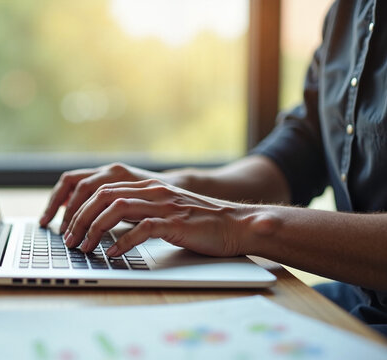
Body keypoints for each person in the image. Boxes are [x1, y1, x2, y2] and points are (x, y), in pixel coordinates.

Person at [39, 0, 387, 336]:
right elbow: (301, 151)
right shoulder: (348, 10)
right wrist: (171, 189)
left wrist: (244, 225)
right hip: (352, 304)